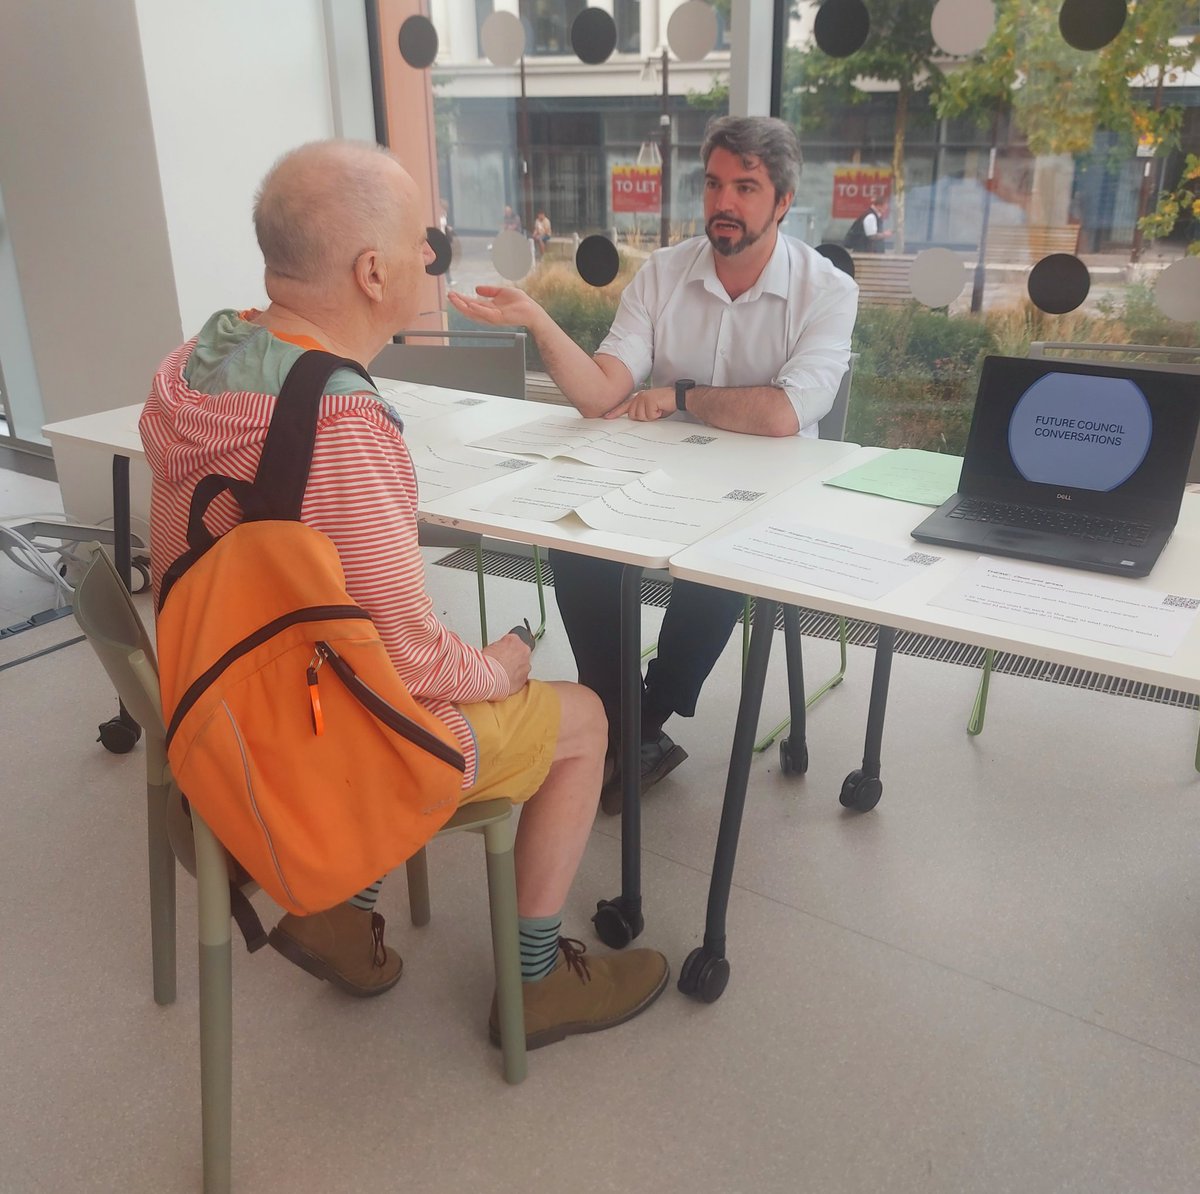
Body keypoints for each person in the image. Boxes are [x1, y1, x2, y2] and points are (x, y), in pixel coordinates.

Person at [139, 140, 669, 1047]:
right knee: (581, 718)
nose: (436, 253)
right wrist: (506, 663)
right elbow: (410, 660)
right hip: (307, 749)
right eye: (424, 238)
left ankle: (340, 914)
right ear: (371, 270)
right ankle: (535, 986)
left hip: (216, 709)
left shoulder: (197, 362)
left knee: (386, 657)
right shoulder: (342, 421)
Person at [450, 116, 858, 813]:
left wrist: (681, 396)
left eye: (747, 188)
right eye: (715, 184)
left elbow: (786, 415)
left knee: (719, 563)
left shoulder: (827, 291)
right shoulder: (664, 274)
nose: (724, 202)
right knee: (575, 541)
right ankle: (626, 734)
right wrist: (539, 323)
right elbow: (601, 392)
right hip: (662, 479)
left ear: (784, 202)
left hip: (764, 496)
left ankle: (633, 725)